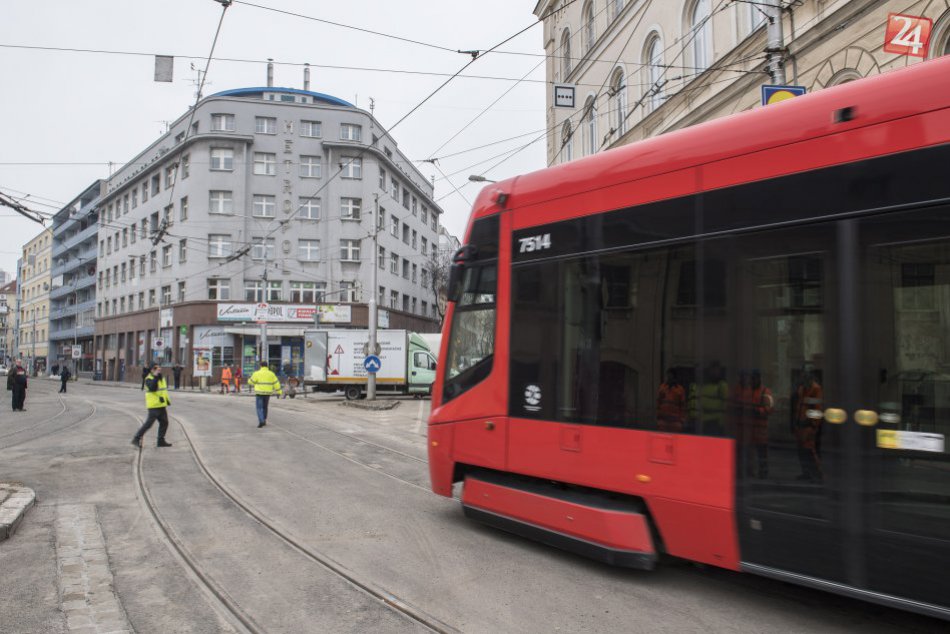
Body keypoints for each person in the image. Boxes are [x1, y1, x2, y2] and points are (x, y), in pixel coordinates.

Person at [132, 363, 172, 448]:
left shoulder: (161, 377)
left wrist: (167, 400)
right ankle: (136, 438)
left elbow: (163, 390)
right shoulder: (149, 378)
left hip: (161, 404)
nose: (158, 369)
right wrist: (156, 377)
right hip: (153, 405)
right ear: (151, 370)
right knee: (149, 423)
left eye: (159, 367)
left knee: (164, 422)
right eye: (156, 368)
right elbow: (152, 388)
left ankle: (160, 441)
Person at [794, 372, 824, 481]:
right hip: (801, 424)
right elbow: (799, 406)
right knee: (801, 450)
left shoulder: (816, 389)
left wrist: (813, 425)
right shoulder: (802, 388)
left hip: (808, 425)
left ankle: (817, 474)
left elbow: (818, 409)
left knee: (809, 450)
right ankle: (806, 473)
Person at [248, 361, 282, 427]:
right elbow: (276, 383)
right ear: (267, 366)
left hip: (259, 393)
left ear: (261, 366)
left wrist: (249, 379)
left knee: (259, 408)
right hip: (267, 393)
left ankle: (261, 421)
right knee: (265, 407)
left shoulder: (256, 373)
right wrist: (279, 392)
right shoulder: (271, 374)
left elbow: (251, 382)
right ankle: (264, 419)